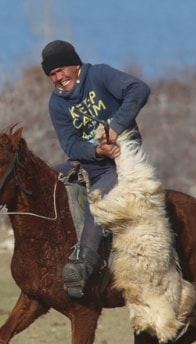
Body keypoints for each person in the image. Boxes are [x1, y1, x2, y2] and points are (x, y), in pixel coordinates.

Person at [41, 40, 150, 298]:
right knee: (46, 181)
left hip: (122, 161)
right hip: (91, 160)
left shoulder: (99, 75)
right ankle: (49, 253)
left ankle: (84, 265)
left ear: (75, 65)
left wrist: (115, 129)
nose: (58, 78)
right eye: (52, 74)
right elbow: (70, 144)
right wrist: (96, 151)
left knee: (97, 198)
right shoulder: (57, 103)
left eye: (61, 70)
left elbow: (139, 89)